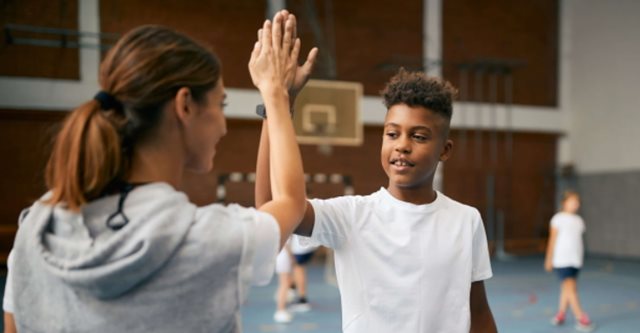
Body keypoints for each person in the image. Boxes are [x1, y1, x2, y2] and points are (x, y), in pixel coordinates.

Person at [2, 10, 317, 332]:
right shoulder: (202, 238)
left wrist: (276, 99)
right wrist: (277, 98)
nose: (223, 125)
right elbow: (289, 201)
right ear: (184, 105)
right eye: (220, 106)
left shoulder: (38, 224)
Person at [256, 68, 497, 332]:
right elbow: (270, 207)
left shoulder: (466, 219)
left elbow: (478, 311)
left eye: (418, 136)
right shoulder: (351, 216)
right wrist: (275, 106)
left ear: (445, 150)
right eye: (392, 134)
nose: (402, 145)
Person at [545, 190, 594, 331]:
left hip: (575, 260)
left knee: (567, 289)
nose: (576, 204)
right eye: (572, 201)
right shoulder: (557, 219)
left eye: (577, 202)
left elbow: (578, 241)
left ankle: (561, 314)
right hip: (562, 259)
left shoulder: (579, 221)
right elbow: (552, 240)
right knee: (570, 287)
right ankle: (581, 318)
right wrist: (549, 258)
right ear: (564, 203)